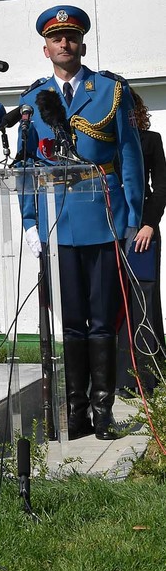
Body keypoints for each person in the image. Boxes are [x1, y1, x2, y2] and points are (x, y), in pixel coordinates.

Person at [19, 5, 144, 439]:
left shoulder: (110, 90)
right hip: (58, 224)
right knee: (71, 322)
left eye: (71, 37)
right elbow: (26, 166)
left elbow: (129, 155)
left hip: (104, 218)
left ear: (82, 45)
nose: (64, 44)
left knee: (102, 320)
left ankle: (103, 412)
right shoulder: (32, 101)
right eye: (56, 39)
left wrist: (132, 217)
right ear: (46, 49)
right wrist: (30, 221)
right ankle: (75, 414)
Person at [116, 90, 166, 394]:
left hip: (143, 230)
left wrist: (149, 223)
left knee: (143, 299)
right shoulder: (106, 144)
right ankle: (118, 378)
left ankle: (147, 377)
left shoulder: (150, 140)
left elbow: (161, 187)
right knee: (115, 301)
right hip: (110, 228)